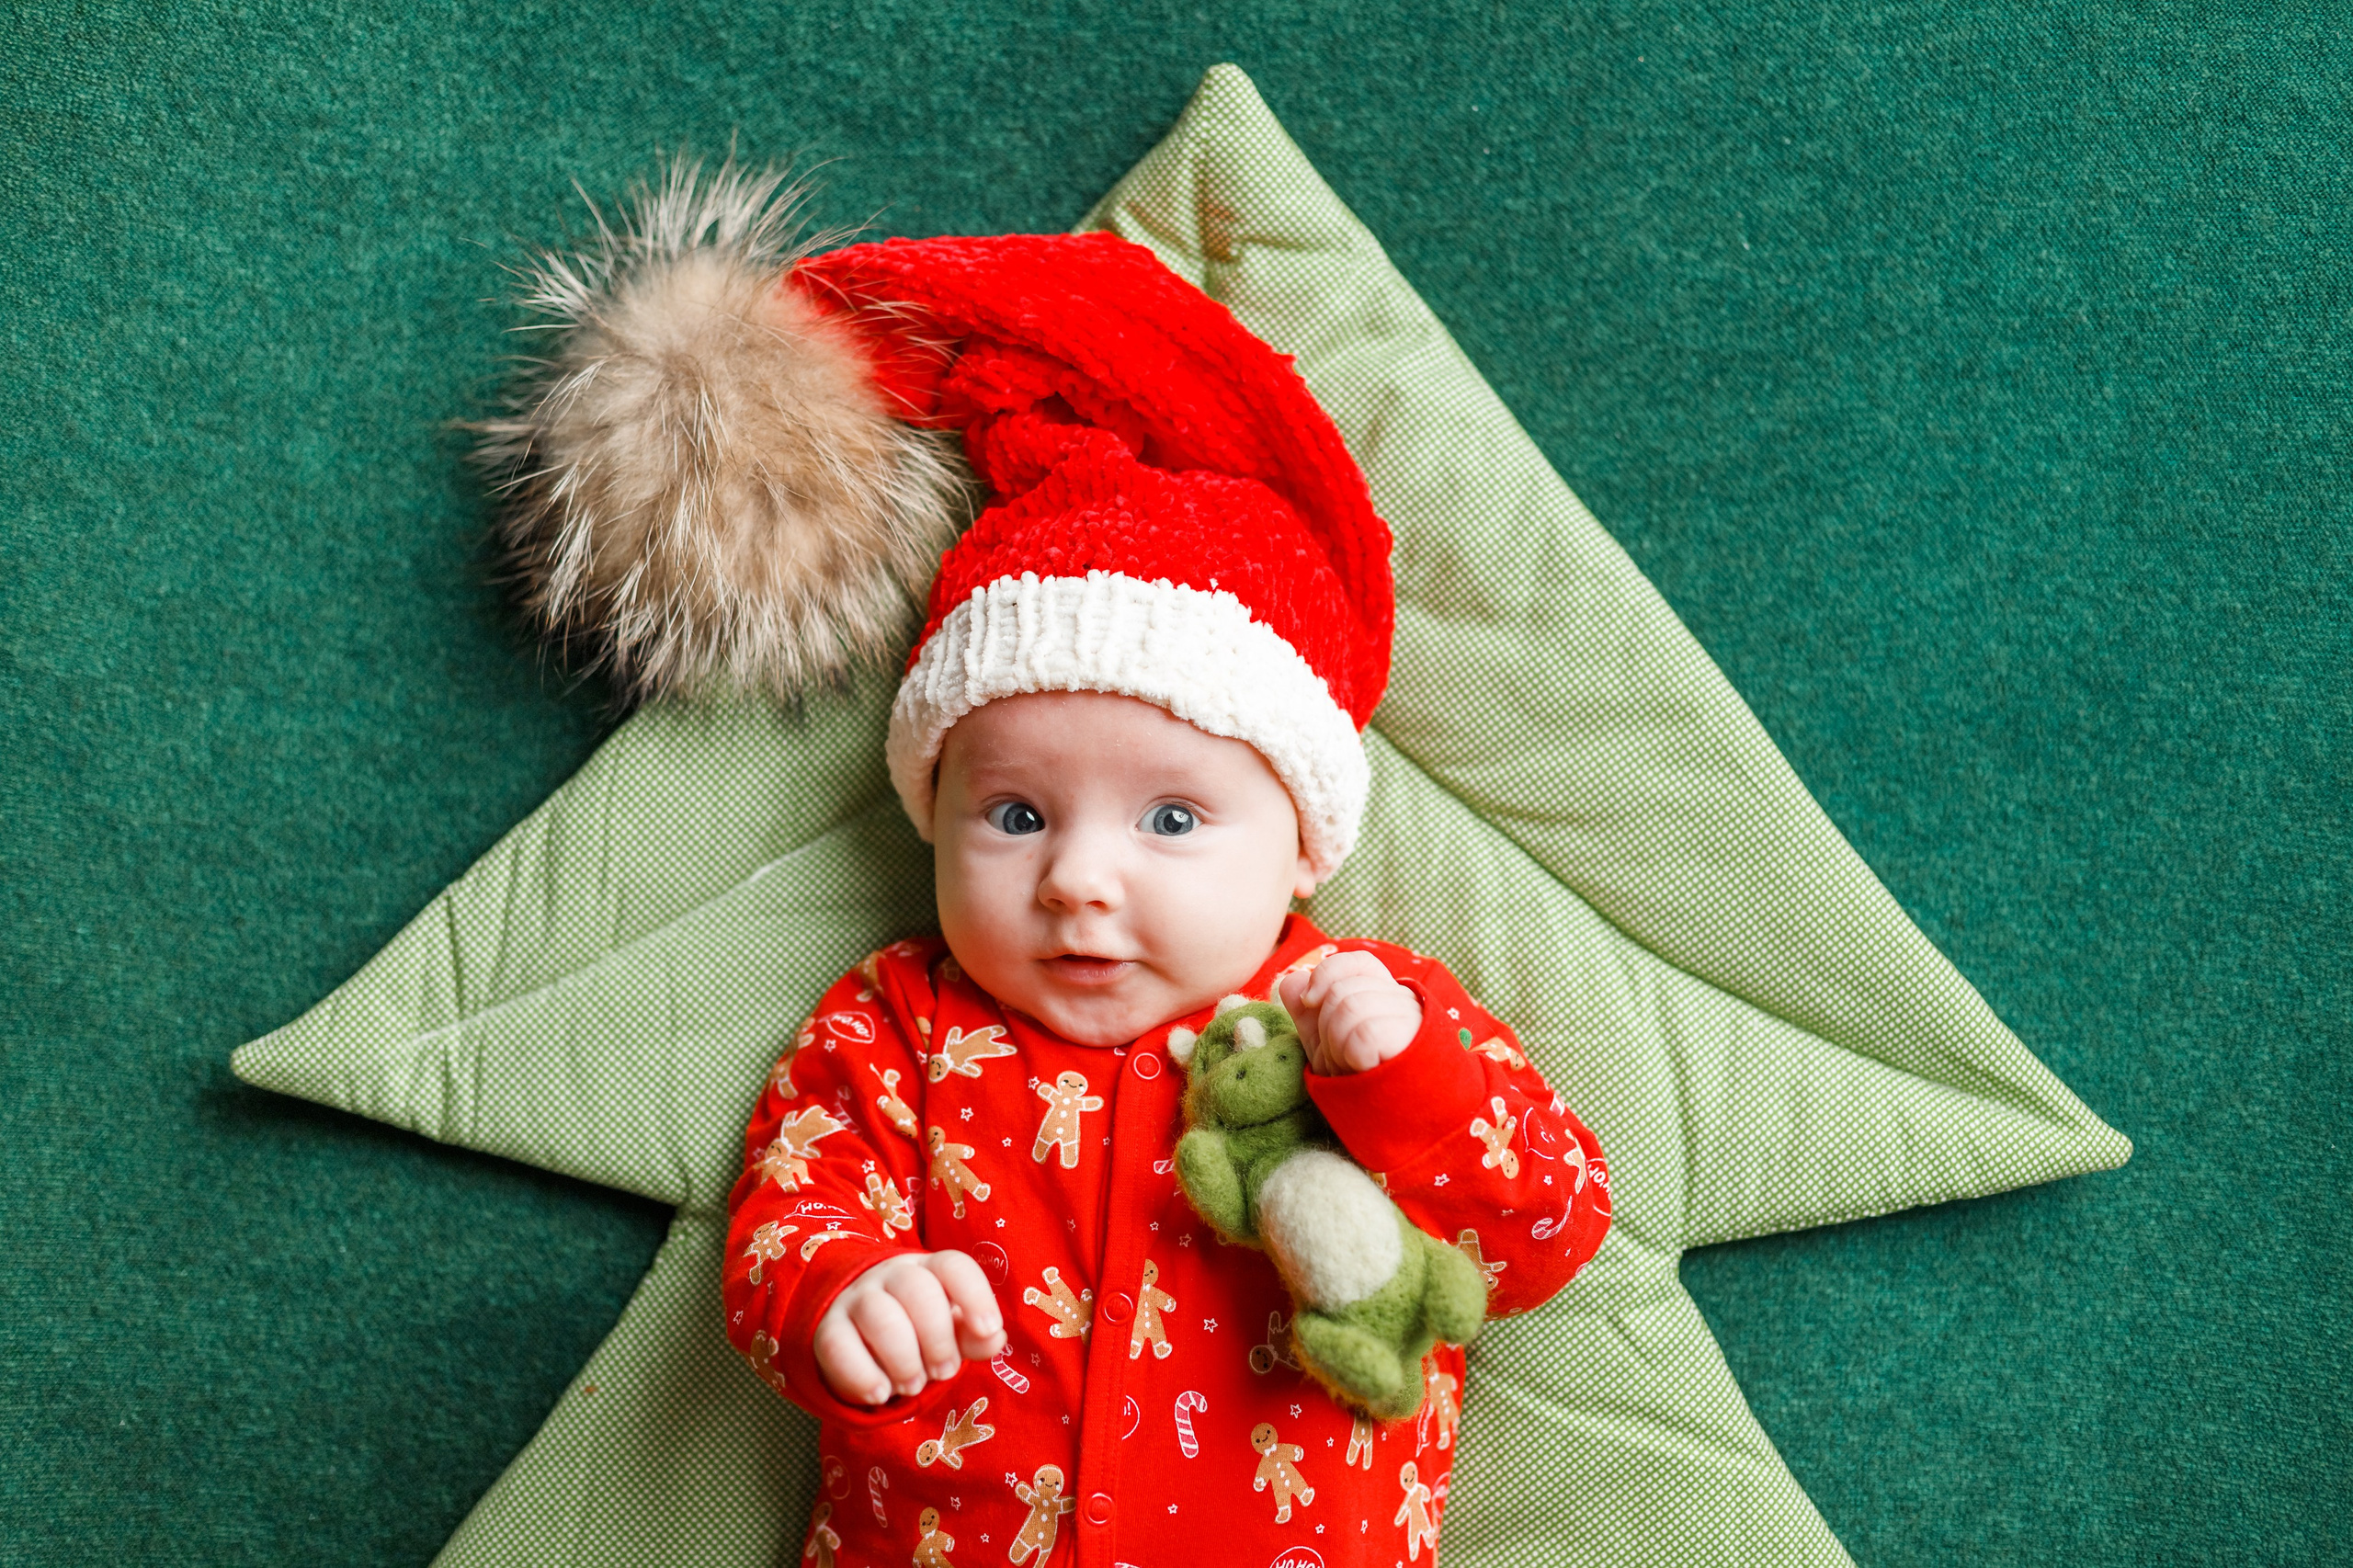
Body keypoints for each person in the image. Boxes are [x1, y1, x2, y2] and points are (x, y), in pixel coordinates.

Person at [486, 201, 1612, 1566]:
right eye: (1016, 813)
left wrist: (1409, 1078)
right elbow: (797, 1207)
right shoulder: (898, 1029)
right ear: (934, 812)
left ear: (1306, 842)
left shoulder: (1358, 1018)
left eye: (1174, 818)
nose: (1080, 879)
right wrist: (845, 1293)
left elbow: (1545, 1229)